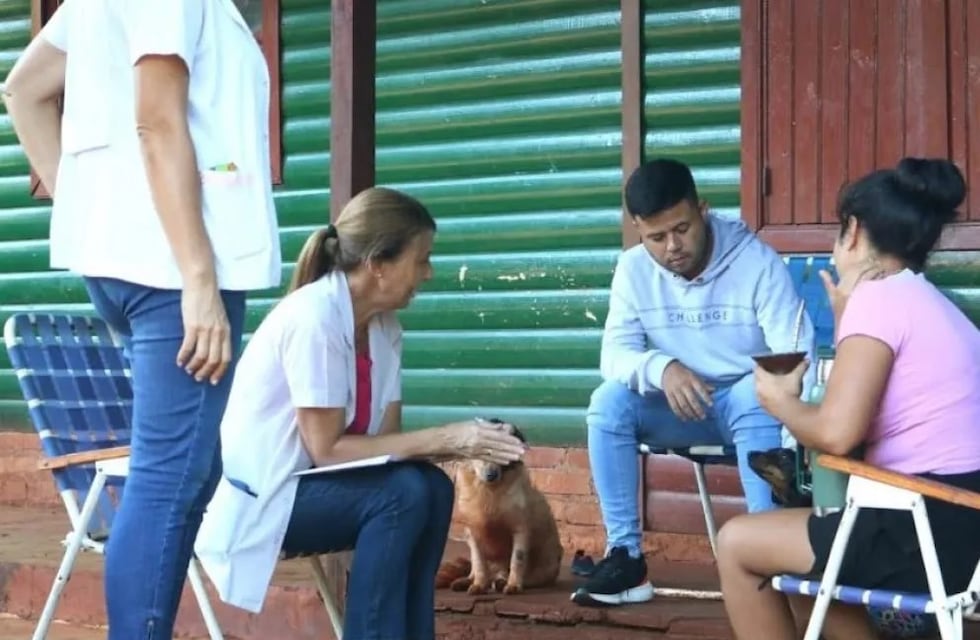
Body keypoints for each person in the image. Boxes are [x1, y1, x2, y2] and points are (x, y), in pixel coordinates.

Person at [2, 1, 279, 638]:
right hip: (172, 265)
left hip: (134, 260)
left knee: (187, 467)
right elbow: (157, 120)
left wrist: (86, 206)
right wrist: (199, 280)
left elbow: (23, 89)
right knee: (169, 474)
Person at [194, 187, 528, 640]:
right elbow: (328, 450)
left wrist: (471, 440)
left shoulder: (385, 329)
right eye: (421, 258)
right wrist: (448, 439)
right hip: (264, 499)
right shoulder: (314, 318)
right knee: (403, 493)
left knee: (428, 487)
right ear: (378, 263)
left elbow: (382, 451)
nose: (428, 273)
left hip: (317, 490)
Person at [716, 157, 980, 640]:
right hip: (964, 526)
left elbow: (837, 434)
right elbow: (868, 421)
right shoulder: (937, 306)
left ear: (853, 231)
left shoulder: (878, 301)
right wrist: (845, 328)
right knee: (813, 571)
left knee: (735, 543)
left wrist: (777, 402)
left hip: (923, 528)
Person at [573, 158, 815, 607]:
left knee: (753, 390)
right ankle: (625, 557)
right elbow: (614, 356)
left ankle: (769, 551)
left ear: (702, 209)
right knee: (608, 402)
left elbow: (794, 355)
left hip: (748, 407)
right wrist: (661, 368)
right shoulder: (633, 270)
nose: (672, 247)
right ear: (637, 229)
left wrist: (791, 426)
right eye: (656, 237)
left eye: (682, 228)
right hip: (680, 407)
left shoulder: (756, 263)